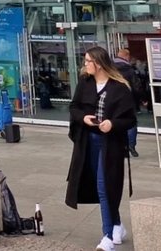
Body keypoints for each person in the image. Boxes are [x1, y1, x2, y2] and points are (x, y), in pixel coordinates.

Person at [66, 46, 137, 251]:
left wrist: (112, 124)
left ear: (98, 63)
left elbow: (130, 119)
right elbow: (74, 107)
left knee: (105, 186)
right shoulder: (85, 83)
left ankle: (107, 236)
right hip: (88, 141)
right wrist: (84, 118)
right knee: (99, 185)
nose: (85, 65)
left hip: (110, 144)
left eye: (88, 61)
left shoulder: (119, 88)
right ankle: (116, 225)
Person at [113, 48, 141, 157]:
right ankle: (131, 144)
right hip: (128, 100)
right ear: (127, 57)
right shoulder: (129, 70)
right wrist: (141, 99)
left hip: (113, 100)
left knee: (115, 122)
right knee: (131, 122)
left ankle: (119, 145)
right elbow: (136, 87)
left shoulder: (109, 68)